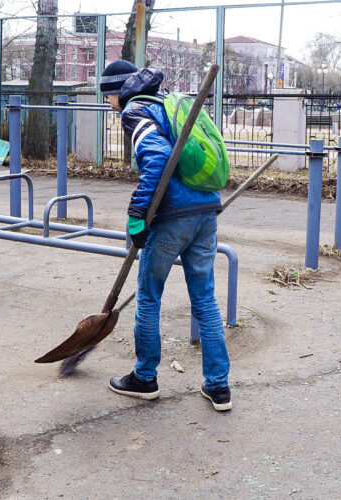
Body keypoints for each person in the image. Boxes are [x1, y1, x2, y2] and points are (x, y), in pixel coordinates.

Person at [100, 60, 232, 411]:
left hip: (173, 215)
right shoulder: (167, 103)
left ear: (116, 91)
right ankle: (219, 388)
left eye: (107, 97)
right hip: (206, 211)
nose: (109, 106)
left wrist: (137, 215)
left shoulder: (135, 110)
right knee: (205, 300)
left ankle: (145, 378)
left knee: (148, 296)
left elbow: (156, 160)